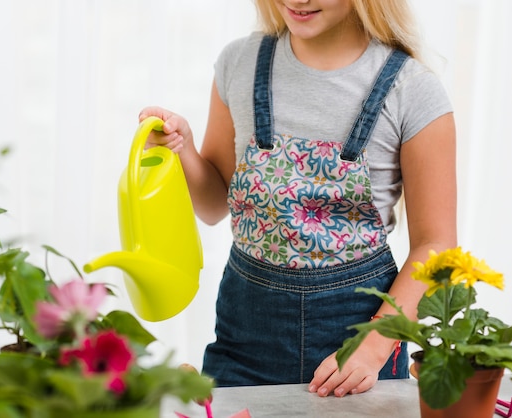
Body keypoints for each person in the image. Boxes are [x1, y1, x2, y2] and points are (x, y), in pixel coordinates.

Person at [139, 0, 456, 398]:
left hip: (358, 339)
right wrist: (182, 149)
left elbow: (436, 244)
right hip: (244, 336)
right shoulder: (239, 64)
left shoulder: (412, 89)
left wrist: (374, 347)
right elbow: (214, 205)